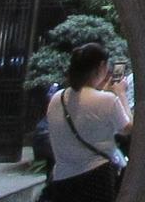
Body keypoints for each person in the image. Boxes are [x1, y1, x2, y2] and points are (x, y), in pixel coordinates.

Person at [45, 43, 132, 202]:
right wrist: (120, 94)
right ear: (101, 66)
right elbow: (127, 128)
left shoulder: (57, 98)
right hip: (96, 177)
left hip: (62, 179)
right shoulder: (107, 100)